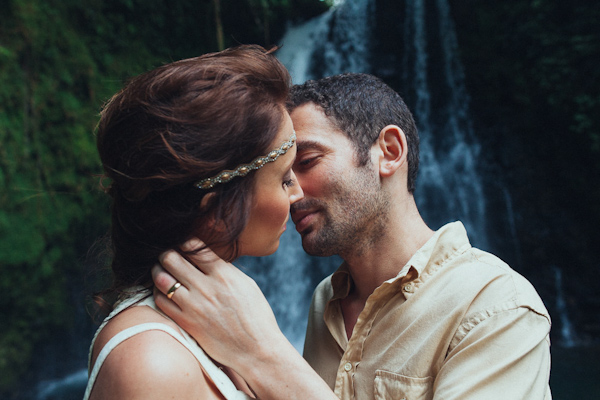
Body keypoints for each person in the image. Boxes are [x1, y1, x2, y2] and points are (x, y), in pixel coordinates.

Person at [153, 73, 552, 399]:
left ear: (390, 151)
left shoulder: (498, 307)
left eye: (306, 161)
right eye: (279, 174)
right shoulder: (326, 300)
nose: (289, 191)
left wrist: (263, 355)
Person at [82, 45, 341, 400]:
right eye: (284, 179)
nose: (298, 194)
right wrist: (267, 355)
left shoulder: (224, 320)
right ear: (217, 211)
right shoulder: (153, 365)